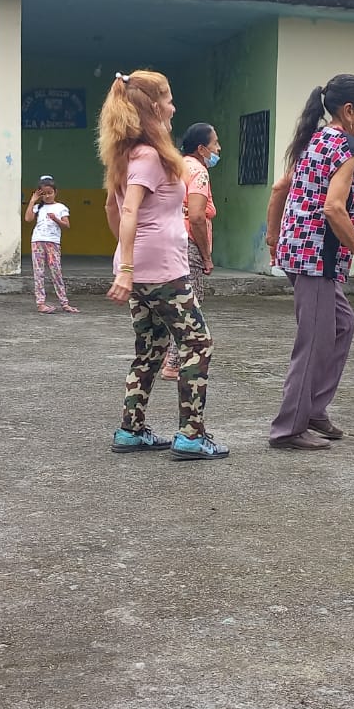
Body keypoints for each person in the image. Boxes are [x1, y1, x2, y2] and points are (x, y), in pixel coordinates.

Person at [100, 70, 228, 460]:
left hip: (144, 269)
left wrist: (128, 258)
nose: (174, 106)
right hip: (161, 271)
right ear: (154, 107)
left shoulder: (128, 154)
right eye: (169, 99)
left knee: (151, 347)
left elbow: (110, 208)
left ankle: (131, 430)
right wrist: (128, 266)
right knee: (197, 343)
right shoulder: (148, 156)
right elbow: (128, 210)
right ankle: (191, 435)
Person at [266, 73, 354, 451]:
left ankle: (314, 408)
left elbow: (280, 188)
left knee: (342, 324)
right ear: (349, 110)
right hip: (316, 256)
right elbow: (334, 208)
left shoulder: (315, 140)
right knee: (314, 342)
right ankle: (288, 428)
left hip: (300, 251)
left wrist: (274, 237)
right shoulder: (346, 147)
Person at [162, 123, 219, 380]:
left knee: (171, 301)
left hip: (168, 240)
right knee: (189, 305)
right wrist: (206, 256)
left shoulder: (174, 166)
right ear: (201, 148)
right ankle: (174, 364)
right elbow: (196, 217)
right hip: (189, 245)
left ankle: (165, 356)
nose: (218, 149)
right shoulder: (199, 172)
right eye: (215, 143)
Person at [26, 178, 78, 314]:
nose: (47, 196)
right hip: (37, 241)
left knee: (56, 272)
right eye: (44, 193)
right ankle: (40, 303)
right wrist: (32, 201)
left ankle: (64, 303)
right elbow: (28, 219)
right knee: (39, 273)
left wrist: (56, 219)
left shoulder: (61, 207)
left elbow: (67, 225)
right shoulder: (38, 207)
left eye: (50, 193)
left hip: (53, 242)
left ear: (55, 192)